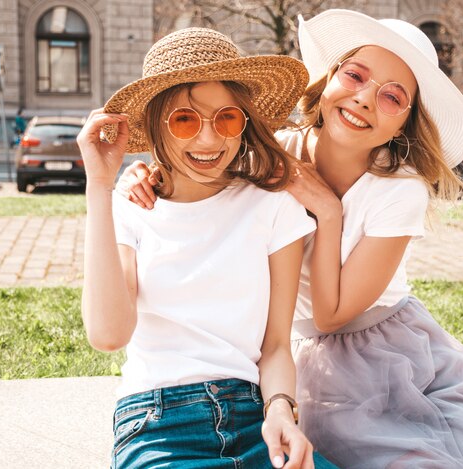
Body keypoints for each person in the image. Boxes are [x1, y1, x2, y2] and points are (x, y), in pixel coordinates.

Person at [117, 10, 463, 469]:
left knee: (429, 454)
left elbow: (332, 315)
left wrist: (328, 212)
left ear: (405, 123)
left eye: (392, 97)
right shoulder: (278, 149)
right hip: (293, 346)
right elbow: (204, 161)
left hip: (381, 347)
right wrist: (148, 172)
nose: (364, 100)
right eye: (355, 75)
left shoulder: (399, 189)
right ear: (329, 78)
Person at [78, 27, 338, 469]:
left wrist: (282, 411)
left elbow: (276, 345)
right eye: (185, 119)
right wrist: (99, 186)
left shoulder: (273, 206)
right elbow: (108, 335)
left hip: (253, 416)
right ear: (157, 127)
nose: (208, 139)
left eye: (226, 118)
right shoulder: (131, 206)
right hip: (157, 424)